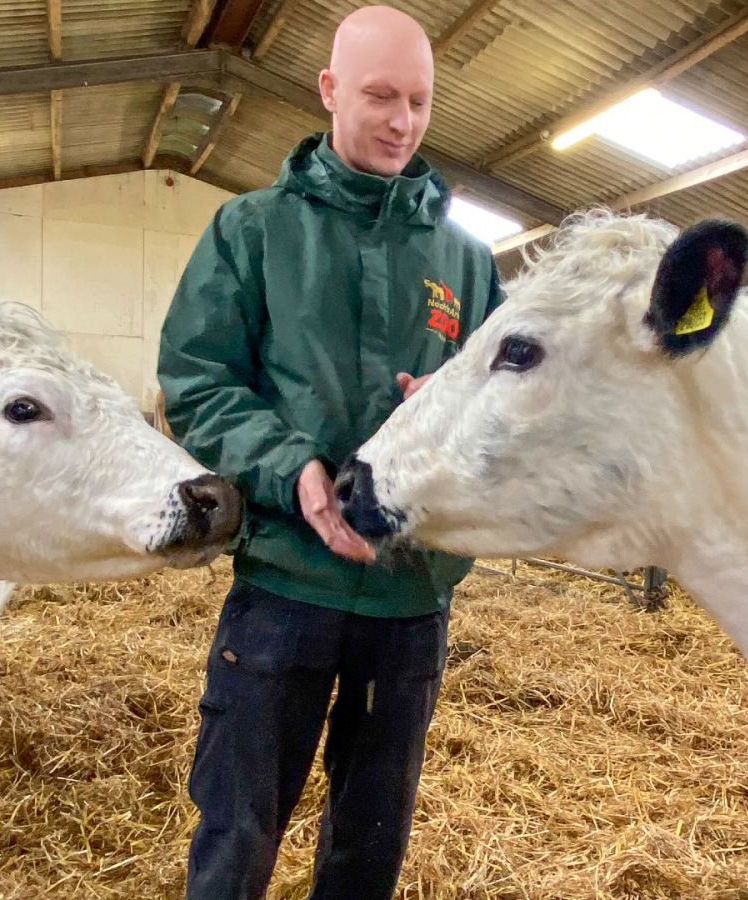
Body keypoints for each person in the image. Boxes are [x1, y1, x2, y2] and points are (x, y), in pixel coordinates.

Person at [155, 6, 505, 899]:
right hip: (282, 585)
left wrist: (459, 411)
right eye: (381, 96)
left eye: (420, 101)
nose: (402, 122)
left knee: (370, 841)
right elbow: (196, 379)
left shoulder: (466, 262)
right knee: (238, 831)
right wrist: (290, 465)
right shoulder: (253, 230)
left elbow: (510, 406)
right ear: (330, 90)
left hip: (410, 594)